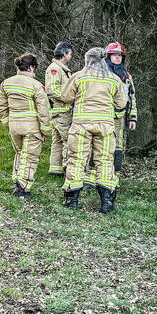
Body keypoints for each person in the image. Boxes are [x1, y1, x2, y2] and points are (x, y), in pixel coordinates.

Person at [57, 47, 127, 213]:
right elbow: (121, 103)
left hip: (82, 124)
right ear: (104, 60)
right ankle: (106, 202)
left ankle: (72, 201)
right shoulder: (114, 79)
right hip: (105, 125)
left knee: (77, 159)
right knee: (105, 161)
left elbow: (65, 97)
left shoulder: (79, 76)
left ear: (88, 60)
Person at [0, 53, 52, 198]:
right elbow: (43, 109)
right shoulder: (36, 85)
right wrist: (46, 129)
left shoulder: (6, 83)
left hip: (14, 126)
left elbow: (1, 107)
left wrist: (7, 123)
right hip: (32, 127)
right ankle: (23, 188)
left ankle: (17, 179)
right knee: (30, 157)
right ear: (32, 68)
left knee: (20, 153)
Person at [104, 42, 137, 172]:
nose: (118, 58)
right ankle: (95, 174)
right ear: (108, 56)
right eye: (115, 55)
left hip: (120, 117)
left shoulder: (126, 75)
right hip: (103, 116)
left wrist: (133, 118)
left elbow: (132, 96)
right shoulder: (102, 73)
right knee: (101, 144)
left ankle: (115, 175)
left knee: (118, 146)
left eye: (120, 55)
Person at [45, 42, 74, 176]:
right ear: (64, 54)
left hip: (61, 111)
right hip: (61, 112)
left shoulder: (61, 68)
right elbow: (52, 90)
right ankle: (68, 168)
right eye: (70, 53)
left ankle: (55, 169)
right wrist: (69, 97)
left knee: (57, 141)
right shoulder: (54, 69)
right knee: (68, 140)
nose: (71, 56)